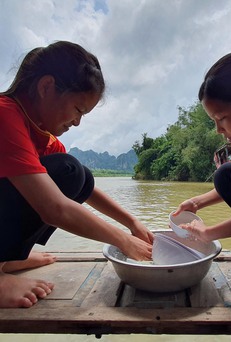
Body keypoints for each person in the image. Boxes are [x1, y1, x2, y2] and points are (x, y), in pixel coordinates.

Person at [0, 41, 154, 308]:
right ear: (46, 87)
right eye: (78, 110)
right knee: (67, 170)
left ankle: (7, 259)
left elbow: (86, 190)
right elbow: (54, 208)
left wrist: (132, 223)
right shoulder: (4, 115)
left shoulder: (42, 136)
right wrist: (123, 241)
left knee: (76, 174)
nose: (77, 122)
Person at [174, 51, 231, 262]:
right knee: (225, 174)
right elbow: (230, 182)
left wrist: (210, 232)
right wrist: (195, 202)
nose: (218, 129)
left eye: (222, 118)